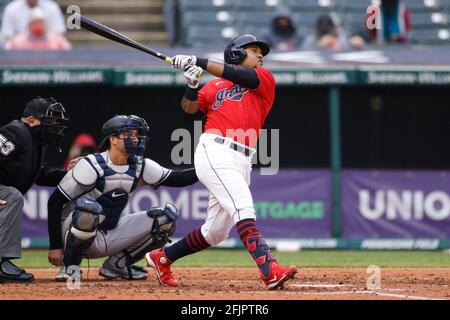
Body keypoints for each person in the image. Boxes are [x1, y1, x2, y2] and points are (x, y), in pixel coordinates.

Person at [144, 35, 298, 290]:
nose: (260, 55)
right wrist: (192, 84)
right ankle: (270, 270)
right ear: (236, 53)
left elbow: (243, 77)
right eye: (253, 50)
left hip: (242, 158)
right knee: (243, 207)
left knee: (215, 232)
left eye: (261, 52)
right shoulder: (213, 87)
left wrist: (199, 61)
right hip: (215, 150)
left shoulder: (264, 80)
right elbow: (188, 112)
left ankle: (162, 257)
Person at [47, 115, 199, 282]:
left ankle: (116, 266)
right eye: (129, 134)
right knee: (89, 210)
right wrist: (55, 246)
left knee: (166, 218)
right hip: (73, 234)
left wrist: (209, 166)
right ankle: (70, 266)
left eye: (136, 134)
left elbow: (179, 179)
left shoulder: (141, 166)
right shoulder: (91, 165)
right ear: (112, 139)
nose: (135, 138)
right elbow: (55, 202)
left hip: (108, 234)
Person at [0, 96, 73, 283]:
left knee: (11, 195)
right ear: (31, 121)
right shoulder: (16, 132)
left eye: (58, 122)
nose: (56, 126)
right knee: (12, 196)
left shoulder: (34, 142)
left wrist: (74, 174)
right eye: (51, 121)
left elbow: (39, 175)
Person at [5, 7, 71, 50]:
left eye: (40, 22)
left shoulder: (57, 40)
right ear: (29, 25)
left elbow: (69, 53)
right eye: (34, 23)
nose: (38, 25)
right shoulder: (17, 42)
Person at [1, 0, 66, 42]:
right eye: (34, 23)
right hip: (18, 56)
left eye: (39, 23)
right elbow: (7, 37)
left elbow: (58, 35)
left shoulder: (52, 7)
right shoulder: (11, 9)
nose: (37, 26)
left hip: (48, 55)